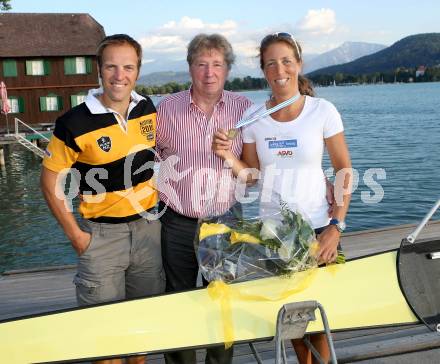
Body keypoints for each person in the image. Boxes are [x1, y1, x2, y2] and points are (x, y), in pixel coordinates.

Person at [213, 32, 352, 364]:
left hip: (319, 229)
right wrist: (227, 158)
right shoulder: (254, 119)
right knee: (292, 319)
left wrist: (336, 225)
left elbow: (343, 167)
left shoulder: (322, 110)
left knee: (319, 320)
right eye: (271, 63)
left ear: (299, 64)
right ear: (263, 70)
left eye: (287, 61)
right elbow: (251, 176)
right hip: (276, 233)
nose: (280, 70)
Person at [41, 34, 165, 364]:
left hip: (148, 233)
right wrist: (75, 236)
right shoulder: (73, 122)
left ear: (138, 71)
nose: (119, 75)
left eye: (128, 67)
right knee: (104, 338)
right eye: (111, 66)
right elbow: (49, 180)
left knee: (140, 330)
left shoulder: (148, 109)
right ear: (99, 70)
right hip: (100, 236)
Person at [156, 33, 252, 364]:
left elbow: (253, 175)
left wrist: (230, 158)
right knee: (178, 299)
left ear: (227, 69)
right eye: (201, 64)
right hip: (178, 222)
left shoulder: (244, 110)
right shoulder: (167, 109)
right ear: (190, 68)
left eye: (217, 64)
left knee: (223, 300)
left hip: (225, 220)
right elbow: (147, 161)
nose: (209, 72)